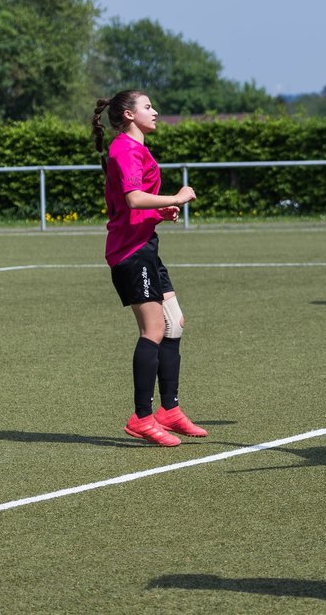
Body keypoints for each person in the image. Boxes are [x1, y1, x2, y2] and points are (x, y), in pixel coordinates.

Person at [92, 90, 206, 447]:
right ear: (128, 115)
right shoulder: (123, 149)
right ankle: (141, 417)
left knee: (175, 323)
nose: (155, 112)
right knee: (154, 329)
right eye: (147, 106)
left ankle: (168, 410)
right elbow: (132, 198)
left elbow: (137, 206)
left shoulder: (136, 148)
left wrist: (161, 213)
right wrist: (176, 198)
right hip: (129, 253)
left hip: (145, 247)